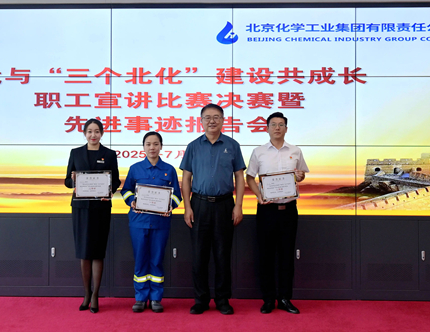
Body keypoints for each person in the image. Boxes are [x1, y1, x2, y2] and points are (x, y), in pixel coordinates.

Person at [180, 104, 245, 315]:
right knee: (199, 256)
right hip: (199, 205)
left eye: (216, 117)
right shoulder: (193, 146)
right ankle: (201, 300)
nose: (212, 121)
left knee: (222, 255)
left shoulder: (232, 145)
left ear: (223, 120)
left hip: (225, 205)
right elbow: (186, 178)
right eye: (207, 117)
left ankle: (222, 299)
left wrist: (238, 206)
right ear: (201, 121)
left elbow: (239, 177)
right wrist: (187, 207)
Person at [245, 112, 309, 314]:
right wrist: (259, 196)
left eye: (281, 124)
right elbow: (249, 178)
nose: (277, 128)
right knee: (265, 255)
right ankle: (268, 299)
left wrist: (300, 176)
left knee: (286, 255)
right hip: (267, 210)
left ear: (286, 129)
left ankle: (284, 298)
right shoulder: (259, 152)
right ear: (267, 128)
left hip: (289, 210)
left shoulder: (295, 151)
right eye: (273, 124)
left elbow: (301, 175)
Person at [121, 132, 182, 313]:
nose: (152, 147)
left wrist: (170, 206)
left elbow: (177, 196)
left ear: (161, 146)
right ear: (144, 147)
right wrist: (132, 201)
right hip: (138, 222)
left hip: (160, 223)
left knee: (156, 259)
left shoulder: (169, 169)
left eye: (156, 144)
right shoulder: (135, 169)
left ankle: (156, 298)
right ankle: (140, 298)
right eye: (148, 144)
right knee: (140, 259)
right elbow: (125, 190)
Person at [64, 118, 121, 313]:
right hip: (81, 208)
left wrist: (109, 191)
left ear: (102, 134)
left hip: (101, 208)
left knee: (97, 251)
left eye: (97, 131)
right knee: (84, 251)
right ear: (84, 134)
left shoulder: (109, 154)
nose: (93, 135)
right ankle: (86, 294)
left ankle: (95, 295)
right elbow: (67, 181)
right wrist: (73, 180)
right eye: (89, 131)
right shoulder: (75, 153)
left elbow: (116, 180)